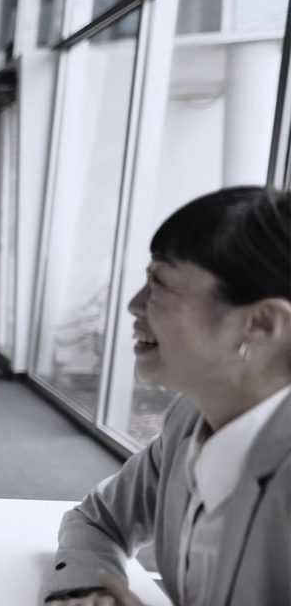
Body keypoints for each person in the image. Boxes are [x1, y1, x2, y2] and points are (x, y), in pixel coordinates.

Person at [44, 186, 290, 605]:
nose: (134, 304)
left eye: (159, 283)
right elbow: (98, 518)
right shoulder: (191, 419)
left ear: (261, 323)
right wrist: (90, 590)